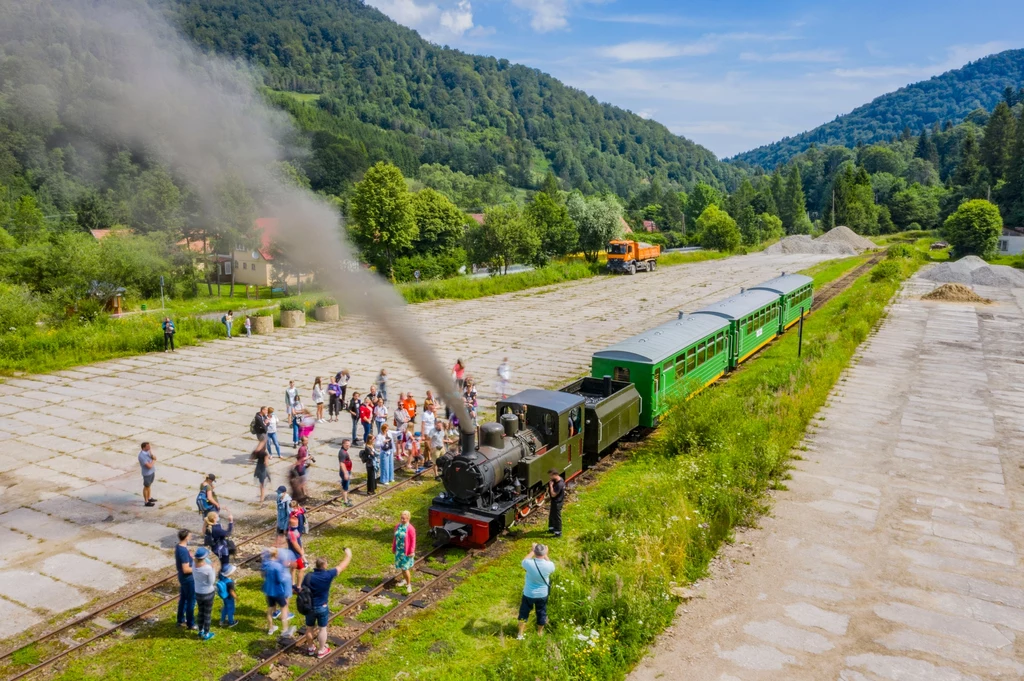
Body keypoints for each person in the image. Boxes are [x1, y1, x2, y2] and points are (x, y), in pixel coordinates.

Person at [299, 550, 352, 658]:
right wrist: (348, 555)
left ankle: (310, 648)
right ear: (324, 565)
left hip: (309, 607)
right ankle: (322, 650)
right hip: (322, 607)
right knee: (322, 629)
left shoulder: (308, 576)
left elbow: (301, 589)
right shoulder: (328, 575)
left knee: (309, 628)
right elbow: (342, 566)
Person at [517, 543, 555, 640]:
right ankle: (539, 632)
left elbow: (524, 560)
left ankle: (520, 634)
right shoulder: (549, 566)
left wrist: (532, 551)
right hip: (542, 594)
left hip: (529, 593)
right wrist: (545, 553)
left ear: (535, 552)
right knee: (541, 612)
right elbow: (550, 563)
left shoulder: (529, 563)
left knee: (524, 613)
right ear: (545, 552)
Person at [263, 546, 296, 637]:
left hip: (269, 591)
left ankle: (271, 628)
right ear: (276, 554)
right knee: (284, 608)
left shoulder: (266, 564)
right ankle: (285, 630)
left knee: (270, 610)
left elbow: (264, 575)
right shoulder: (277, 566)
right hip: (277, 591)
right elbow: (280, 579)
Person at [193, 547, 217, 640]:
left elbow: (200, 561)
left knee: (200, 612)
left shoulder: (194, 565)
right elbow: (211, 581)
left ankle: (200, 630)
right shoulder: (207, 568)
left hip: (198, 592)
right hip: (208, 593)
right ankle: (207, 633)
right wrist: (213, 568)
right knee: (207, 614)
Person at [175, 528, 196, 630]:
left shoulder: (179, 547)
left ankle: (180, 619)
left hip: (183, 578)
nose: (191, 537)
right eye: (190, 535)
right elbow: (186, 569)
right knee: (191, 601)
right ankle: (191, 623)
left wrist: (190, 557)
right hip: (188, 579)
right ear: (186, 537)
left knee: (183, 599)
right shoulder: (183, 551)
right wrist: (197, 568)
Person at [392, 510, 416, 594]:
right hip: (399, 551)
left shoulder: (410, 528)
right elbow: (395, 538)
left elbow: (413, 541)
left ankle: (409, 584)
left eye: (404, 519)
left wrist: (412, 551)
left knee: (405, 569)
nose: (402, 520)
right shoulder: (398, 526)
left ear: (408, 518)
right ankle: (405, 580)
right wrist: (394, 548)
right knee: (402, 568)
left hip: (407, 552)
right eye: (401, 518)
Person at [286, 515, 306, 588]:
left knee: (293, 568)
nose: (297, 525)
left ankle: (292, 584)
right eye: (295, 524)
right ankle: (298, 587)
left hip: (291, 554)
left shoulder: (290, 530)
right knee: (302, 568)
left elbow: (299, 542)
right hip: (296, 555)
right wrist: (301, 553)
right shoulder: (292, 533)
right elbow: (295, 545)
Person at [216, 562, 237, 627]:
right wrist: (236, 597)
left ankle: (222, 621)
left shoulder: (222, 578)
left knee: (225, 608)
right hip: (230, 598)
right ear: (229, 573)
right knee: (231, 609)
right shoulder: (230, 583)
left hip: (224, 597)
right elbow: (231, 591)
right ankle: (231, 622)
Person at [138, 442, 157, 507]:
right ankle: (146, 501)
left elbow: (153, 457)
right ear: (143, 448)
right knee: (146, 486)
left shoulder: (148, 452)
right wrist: (153, 460)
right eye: (148, 446)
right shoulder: (141, 456)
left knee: (149, 485)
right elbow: (149, 466)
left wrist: (152, 455)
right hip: (147, 473)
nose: (149, 447)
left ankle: (149, 497)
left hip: (151, 472)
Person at [547, 469, 565, 538]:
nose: (550, 478)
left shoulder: (559, 484)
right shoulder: (559, 480)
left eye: (551, 476)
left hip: (557, 502)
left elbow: (553, 494)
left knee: (557, 517)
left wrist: (551, 486)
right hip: (554, 502)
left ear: (555, 475)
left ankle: (558, 533)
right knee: (552, 515)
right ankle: (551, 528)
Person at [338, 439, 354, 506]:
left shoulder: (344, 451)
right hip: (345, 471)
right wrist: (345, 473)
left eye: (349, 445)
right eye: (347, 445)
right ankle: (345, 502)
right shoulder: (342, 453)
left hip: (346, 471)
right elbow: (342, 463)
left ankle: (344, 498)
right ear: (343, 444)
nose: (348, 446)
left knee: (343, 485)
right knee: (345, 487)